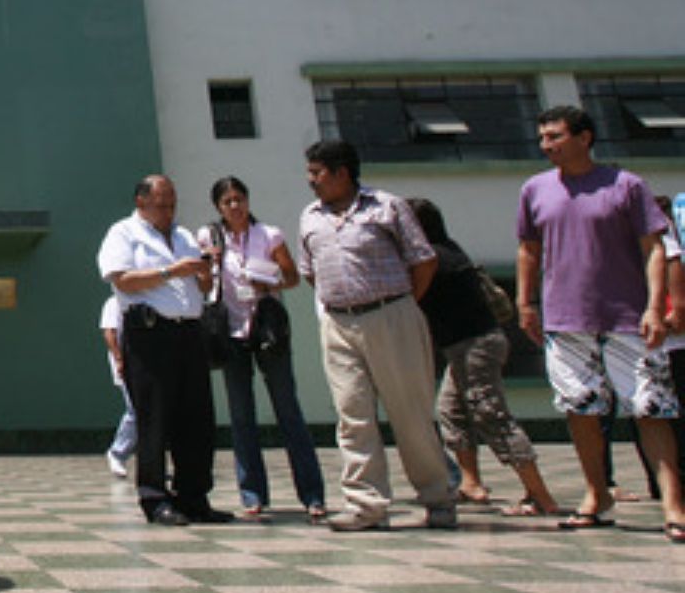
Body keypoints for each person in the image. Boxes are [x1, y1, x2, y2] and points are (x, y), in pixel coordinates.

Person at [515, 105, 685, 539]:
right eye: (542, 138)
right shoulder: (535, 190)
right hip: (565, 320)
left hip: (627, 318)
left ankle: (674, 505)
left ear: (584, 137)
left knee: (650, 408)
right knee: (580, 409)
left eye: (554, 136)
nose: (545, 145)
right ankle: (597, 495)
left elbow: (655, 249)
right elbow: (528, 250)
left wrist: (654, 307)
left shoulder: (627, 186)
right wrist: (525, 303)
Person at [298, 139, 453, 533]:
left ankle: (437, 497)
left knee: (410, 413)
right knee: (352, 415)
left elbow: (424, 261)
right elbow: (309, 271)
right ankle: (366, 505)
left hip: (392, 316)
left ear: (341, 173)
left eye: (316, 172)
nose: (310, 180)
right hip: (338, 324)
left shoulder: (387, 206)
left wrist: (397, 305)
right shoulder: (310, 217)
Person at [406, 198, 560, 516]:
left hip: (475, 345)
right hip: (467, 346)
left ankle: (540, 495)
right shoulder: (448, 250)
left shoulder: (434, 259)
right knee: (451, 409)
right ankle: (471, 483)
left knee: (490, 413)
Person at [100, 174, 229, 526]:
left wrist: (205, 269)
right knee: (154, 417)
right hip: (150, 333)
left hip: (189, 331)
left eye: (172, 203)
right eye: (161, 204)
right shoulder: (124, 233)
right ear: (141, 202)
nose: (169, 210)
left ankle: (194, 496)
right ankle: (155, 498)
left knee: (197, 417)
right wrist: (171, 271)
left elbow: (201, 284)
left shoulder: (185, 235)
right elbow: (121, 278)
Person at [198, 176, 326, 520]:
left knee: (288, 410)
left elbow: (292, 276)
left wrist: (268, 280)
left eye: (239, 199)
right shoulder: (210, 237)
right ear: (218, 207)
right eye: (227, 202)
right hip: (232, 331)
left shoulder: (268, 234)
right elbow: (204, 286)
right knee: (241, 415)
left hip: (267, 328)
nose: (235, 206)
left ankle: (312, 494)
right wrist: (207, 264)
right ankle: (252, 493)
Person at [101, 295, 135, 479]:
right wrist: (119, 359)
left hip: (145, 364)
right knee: (136, 410)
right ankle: (117, 453)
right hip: (126, 365)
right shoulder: (114, 303)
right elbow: (109, 332)